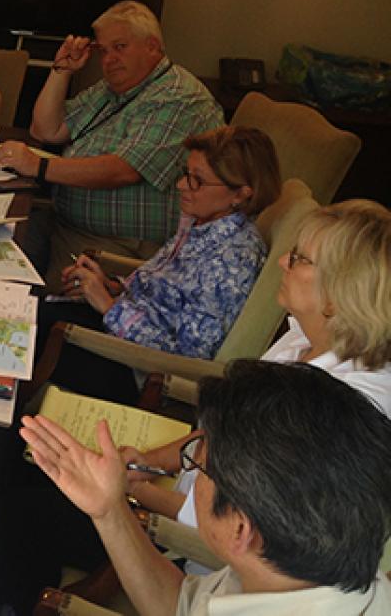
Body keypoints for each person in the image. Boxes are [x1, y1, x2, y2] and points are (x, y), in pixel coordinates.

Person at [21, 360, 391, 615]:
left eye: (198, 466)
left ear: (241, 528)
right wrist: (110, 510)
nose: (190, 472)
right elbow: (182, 605)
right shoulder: (327, 574)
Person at [124, 198, 391, 526]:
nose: (281, 261)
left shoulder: (345, 403)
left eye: (298, 259)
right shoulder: (303, 336)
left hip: (204, 556)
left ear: (339, 295)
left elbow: (239, 526)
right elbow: (221, 433)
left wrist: (129, 489)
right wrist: (144, 465)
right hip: (178, 500)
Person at [41, 126, 281, 403]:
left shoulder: (232, 261)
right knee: (26, 307)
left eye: (197, 181)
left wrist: (108, 305)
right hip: (122, 334)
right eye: (185, 173)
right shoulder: (201, 221)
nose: (181, 185)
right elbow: (161, 289)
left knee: (27, 332)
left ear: (241, 194)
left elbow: (186, 358)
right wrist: (112, 287)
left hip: (135, 370)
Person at [0, 0, 223, 291]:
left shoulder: (178, 97)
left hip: (118, 248)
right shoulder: (113, 89)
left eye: (120, 47)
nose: (109, 59)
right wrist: (61, 70)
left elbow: (124, 170)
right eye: (103, 50)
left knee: (8, 287)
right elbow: (46, 129)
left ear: (153, 47)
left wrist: (38, 166)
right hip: (66, 226)